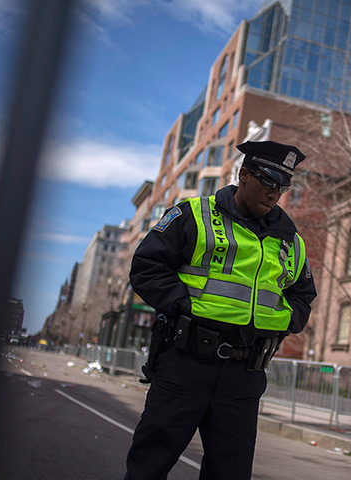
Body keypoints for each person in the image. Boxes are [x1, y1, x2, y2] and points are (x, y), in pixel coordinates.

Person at [123, 140, 317, 480]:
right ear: (244, 175)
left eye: (283, 186)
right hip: (185, 364)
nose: (275, 193)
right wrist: (184, 304)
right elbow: (147, 266)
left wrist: (285, 320)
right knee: (147, 469)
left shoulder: (291, 240)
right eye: (269, 181)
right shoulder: (194, 214)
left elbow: (302, 295)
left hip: (245, 376)